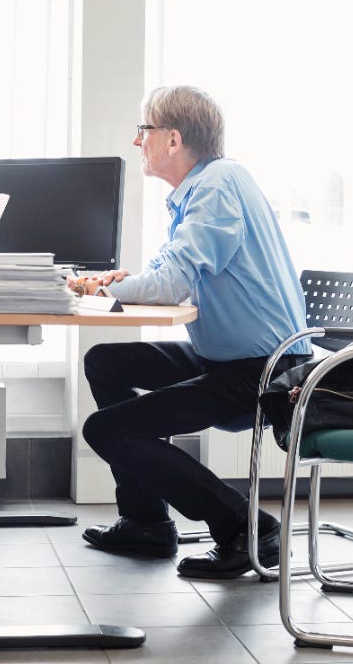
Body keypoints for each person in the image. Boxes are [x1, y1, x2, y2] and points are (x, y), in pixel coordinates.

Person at [70, 85, 311, 579]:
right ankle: (146, 521)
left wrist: (101, 290)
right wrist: (118, 283)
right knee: (106, 362)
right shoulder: (202, 189)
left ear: (173, 139)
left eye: (144, 130)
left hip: (264, 373)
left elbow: (172, 282)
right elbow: (171, 273)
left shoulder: (217, 186)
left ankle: (247, 528)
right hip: (229, 359)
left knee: (108, 430)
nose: (137, 142)